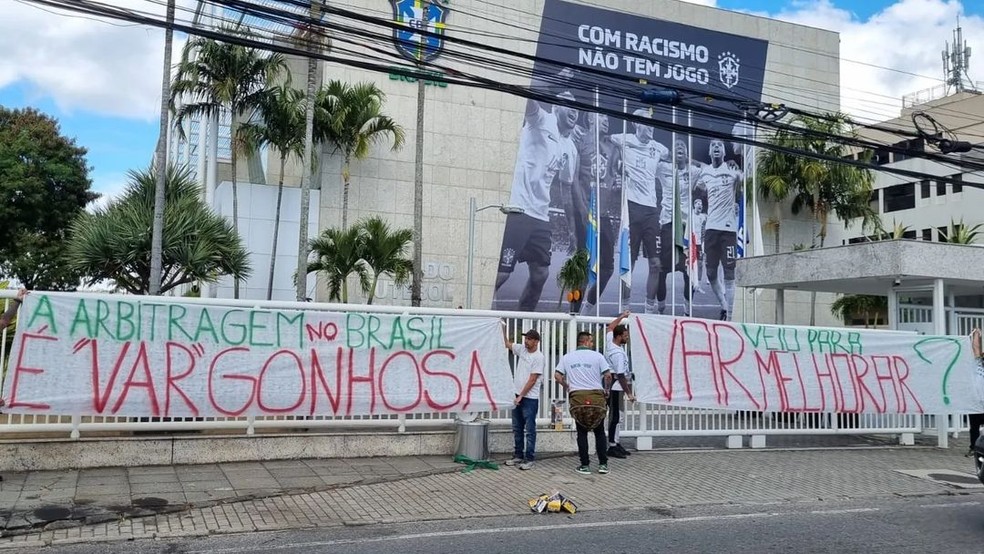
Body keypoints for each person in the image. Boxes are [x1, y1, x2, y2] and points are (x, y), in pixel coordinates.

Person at [495, 76, 580, 312]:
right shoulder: (539, 119)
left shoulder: (570, 148)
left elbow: (565, 189)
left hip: (541, 217)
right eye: (569, 105)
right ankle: (474, 317)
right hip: (518, 209)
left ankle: (522, 325)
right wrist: (554, 80)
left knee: (541, 273)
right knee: (502, 273)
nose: (574, 111)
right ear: (556, 107)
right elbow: (525, 89)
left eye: (577, 108)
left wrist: (572, 231)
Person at [609, 109, 669, 315]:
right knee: (629, 261)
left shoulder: (659, 148)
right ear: (636, 124)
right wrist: (617, 168)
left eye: (652, 123)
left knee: (655, 263)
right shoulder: (623, 139)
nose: (650, 126)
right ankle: (624, 307)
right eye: (645, 122)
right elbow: (607, 142)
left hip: (651, 210)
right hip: (631, 209)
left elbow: (676, 157)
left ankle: (648, 309)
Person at [695, 138, 743, 320]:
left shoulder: (731, 169)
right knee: (710, 273)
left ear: (724, 152)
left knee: (730, 275)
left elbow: (745, 179)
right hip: (711, 229)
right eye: (713, 145)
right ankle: (723, 304)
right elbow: (698, 184)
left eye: (719, 145)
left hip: (729, 230)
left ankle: (729, 317)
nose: (716, 147)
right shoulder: (705, 173)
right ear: (709, 152)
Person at [555, 330, 613, 475]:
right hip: (596, 398)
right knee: (599, 431)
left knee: (582, 432)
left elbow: (557, 375)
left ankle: (585, 465)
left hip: (577, 398)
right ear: (586, 341)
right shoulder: (598, 356)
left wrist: (566, 386)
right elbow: (608, 375)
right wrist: (606, 390)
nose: (592, 344)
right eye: (592, 341)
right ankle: (603, 464)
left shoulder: (567, 357)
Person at [655, 139, 698, 316]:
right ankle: (661, 308)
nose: (679, 148)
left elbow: (708, 170)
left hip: (686, 227)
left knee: (689, 270)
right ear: (671, 153)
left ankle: (688, 308)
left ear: (686, 154)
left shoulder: (694, 171)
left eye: (683, 146)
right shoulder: (663, 168)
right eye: (676, 146)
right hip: (667, 223)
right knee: (661, 270)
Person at [502, 325, 545, 470]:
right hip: (517, 395)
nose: (526, 341)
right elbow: (507, 344)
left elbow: (532, 379)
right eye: (526, 338)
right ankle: (518, 455)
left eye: (530, 339)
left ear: (537, 342)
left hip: (529, 399)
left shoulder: (539, 357)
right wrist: (501, 327)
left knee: (530, 429)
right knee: (517, 427)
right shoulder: (522, 350)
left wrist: (521, 395)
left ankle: (529, 458)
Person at [605, 311, 636, 459]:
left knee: (618, 416)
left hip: (614, 386)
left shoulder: (610, 342)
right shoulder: (617, 354)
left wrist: (622, 317)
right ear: (619, 337)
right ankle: (612, 445)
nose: (627, 338)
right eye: (625, 336)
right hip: (616, 387)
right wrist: (629, 392)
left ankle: (616, 442)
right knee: (616, 416)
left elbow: (610, 327)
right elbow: (621, 375)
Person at [969, 328, 984, 456]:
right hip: (975, 401)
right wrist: (976, 335)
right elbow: (976, 349)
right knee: (974, 428)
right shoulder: (978, 363)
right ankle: (974, 447)